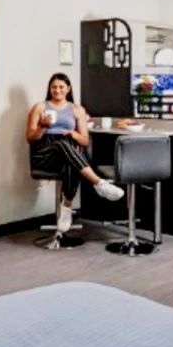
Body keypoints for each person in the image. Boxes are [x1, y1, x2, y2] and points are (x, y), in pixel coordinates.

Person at [26, 73, 124, 234]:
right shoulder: (40, 107)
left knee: (69, 157)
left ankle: (67, 207)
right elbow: (30, 138)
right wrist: (43, 126)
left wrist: (74, 134)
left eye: (61, 87)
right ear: (49, 89)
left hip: (69, 152)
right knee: (63, 145)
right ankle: (99, 183)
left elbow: (84, 141)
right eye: (54, 87)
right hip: (44, 153)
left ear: (68, 89)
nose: (57, 90)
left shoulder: (77, 110)